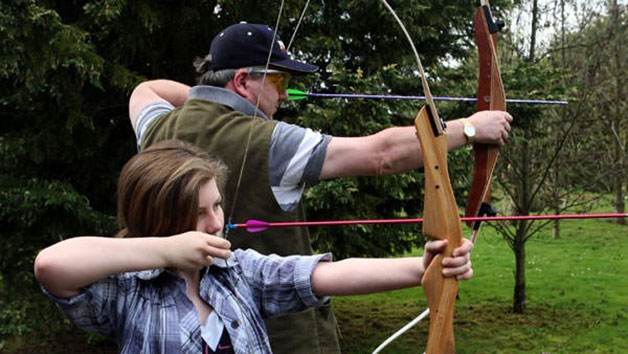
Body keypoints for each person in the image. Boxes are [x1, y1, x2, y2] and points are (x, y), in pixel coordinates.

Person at [128, 22, 511, 353]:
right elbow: (381, 155)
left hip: (180, 323)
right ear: (243, 81)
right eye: (278, 81)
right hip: (280, 336)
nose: (284, 93)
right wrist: (472, 129)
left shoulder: (157, 128)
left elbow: (145, 90)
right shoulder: (274, 142)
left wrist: (203, 102)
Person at [34, 140, 474, 354]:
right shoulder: (127, 290)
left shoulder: (238, 273)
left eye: (218, 205)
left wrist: (423, 268)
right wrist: (166, 252)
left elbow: (325, 276)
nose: (216, 222)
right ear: (160, 218)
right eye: (199, 213)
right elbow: (52, 265)